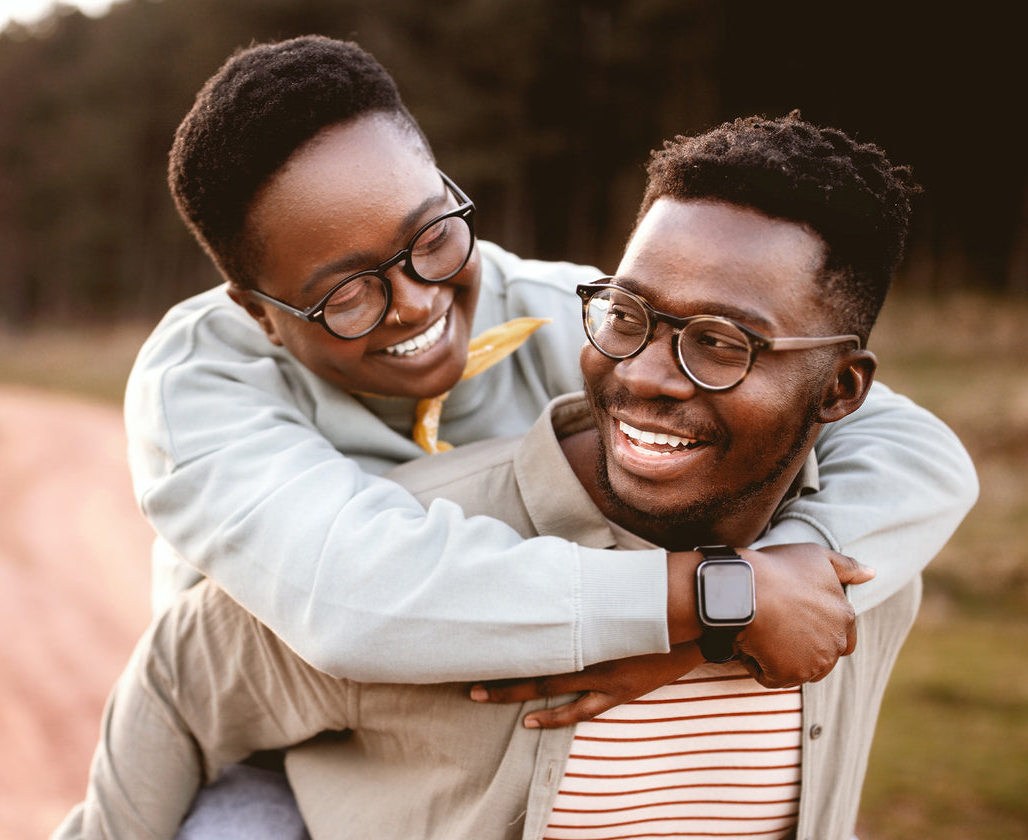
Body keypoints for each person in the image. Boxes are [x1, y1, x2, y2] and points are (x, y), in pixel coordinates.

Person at [124, 35, 975, 833]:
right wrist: (715, 608)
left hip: (495, 736)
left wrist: (789, 571)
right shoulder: (201, 385)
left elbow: (912, 450)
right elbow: (349, 598)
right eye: (347, 294)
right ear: (261, 313)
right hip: (285, 743)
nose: (418, 301)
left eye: (430, 236)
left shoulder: (572, 307)